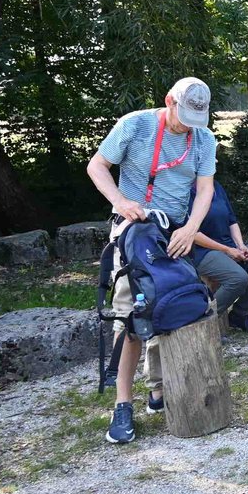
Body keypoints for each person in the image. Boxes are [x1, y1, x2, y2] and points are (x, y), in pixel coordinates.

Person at [86, 77, 218, 444]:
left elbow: (205, 189)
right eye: (183, 118)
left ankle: (159, 389)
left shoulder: (204, 139)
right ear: (169, 101)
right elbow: (97, 166)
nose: (188, 127)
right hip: (136, 231)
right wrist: (120, 202)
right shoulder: (135, 125)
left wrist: (191, 228)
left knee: (173, 305)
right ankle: (122, 404)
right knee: (132, 315)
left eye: (196, 120)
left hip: (175, 233)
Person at [190, 180, 248, 333]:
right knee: (238, 278)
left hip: (229, 245)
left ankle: (239, 315)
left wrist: (240, 245)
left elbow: (231, 221)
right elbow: (193, 234)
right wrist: (227, 250)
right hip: (202, 251)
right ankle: (204, 324)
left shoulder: (216, 186)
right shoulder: (183, 191)